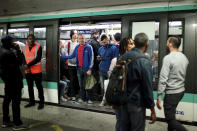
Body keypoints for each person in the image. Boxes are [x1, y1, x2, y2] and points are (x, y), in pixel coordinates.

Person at [120, 33, 156, 131]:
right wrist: (152, 108)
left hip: (123, 102)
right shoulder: (144, 61)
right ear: (147, 45)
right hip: (137, 103)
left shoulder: (123, 57)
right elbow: (147, 86)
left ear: (135, 43)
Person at [157, 36, 189, 131]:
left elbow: (163, 78)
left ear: (170, 44)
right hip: (181, 91)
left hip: (172, 93)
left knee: (170, 119)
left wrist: (159, 96)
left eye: (167, 41)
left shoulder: (168, 58)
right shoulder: (184, 57)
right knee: (172, 115)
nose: (166, 42)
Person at [0, 35, 27, 130]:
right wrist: (18, 50)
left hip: (7, 80)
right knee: (16, 102)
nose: (13, 43)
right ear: (8, 43)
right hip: (14, 80)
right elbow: (19, 62)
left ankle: (6, 121)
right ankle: (17, 123)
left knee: (7, 100)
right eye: (11, 41)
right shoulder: (9, 53)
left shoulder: (1, 50)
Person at [61, 34, 94, 103]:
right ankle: (83, 98)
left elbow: (92, 59)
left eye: (82, 38)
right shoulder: (77, 47)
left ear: (85, 39)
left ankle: (90, 99)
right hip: (79, 69)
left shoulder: (88, 47)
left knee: (88, 85)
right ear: (78, 40)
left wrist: (90, 69)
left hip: (86, 69)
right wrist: (62, 57)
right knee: (81, 85)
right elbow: (72, 56)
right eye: (80, 38)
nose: (81, 40)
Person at [23, 34, 45, 110]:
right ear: (27, 40)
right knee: (30, 87)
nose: (31, 40)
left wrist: (28, 65)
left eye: (32, 39)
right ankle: (31, 102)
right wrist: (26, 66)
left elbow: (38, 59)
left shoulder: (39, 47)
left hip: (37, 71)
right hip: (28, 71)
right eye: (29, 39)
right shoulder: (24, 48)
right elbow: (23, 58)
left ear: (34, 39)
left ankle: (41, 103)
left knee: (39, 87)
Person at [97, 34, 119, 103]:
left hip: (110, 71)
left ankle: (110, 100)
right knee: (102, 87)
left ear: (108, 40)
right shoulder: (100, 49)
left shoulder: (114, 48)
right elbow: (98, 58)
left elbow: (115, 60)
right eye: (102, 42)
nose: (103, 44)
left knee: (110, 87)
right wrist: (98, 59)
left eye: (105, 42)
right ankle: (104, 100)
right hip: (101, 70)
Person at [62, 30, 79, 101]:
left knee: (77, 80)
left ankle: (77, 93)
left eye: (76, 34)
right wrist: (66, 55)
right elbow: (64, 52)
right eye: (74, 34)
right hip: (70, 65)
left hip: (78, 65)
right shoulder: (68, 43)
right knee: (71, 80)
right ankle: (72, 95)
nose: (75, 35)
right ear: (71, 35)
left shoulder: (78, 43)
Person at [87, 29, 101, 100]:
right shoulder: (95, 43)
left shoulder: (87, 42)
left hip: (89, 66)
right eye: (96, 34)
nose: (97, 35)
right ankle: (94, 96)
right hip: (95, 65)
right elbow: (99, 53)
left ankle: (90, 96)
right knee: (95, 81)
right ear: (93, 34)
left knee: (90, 81)